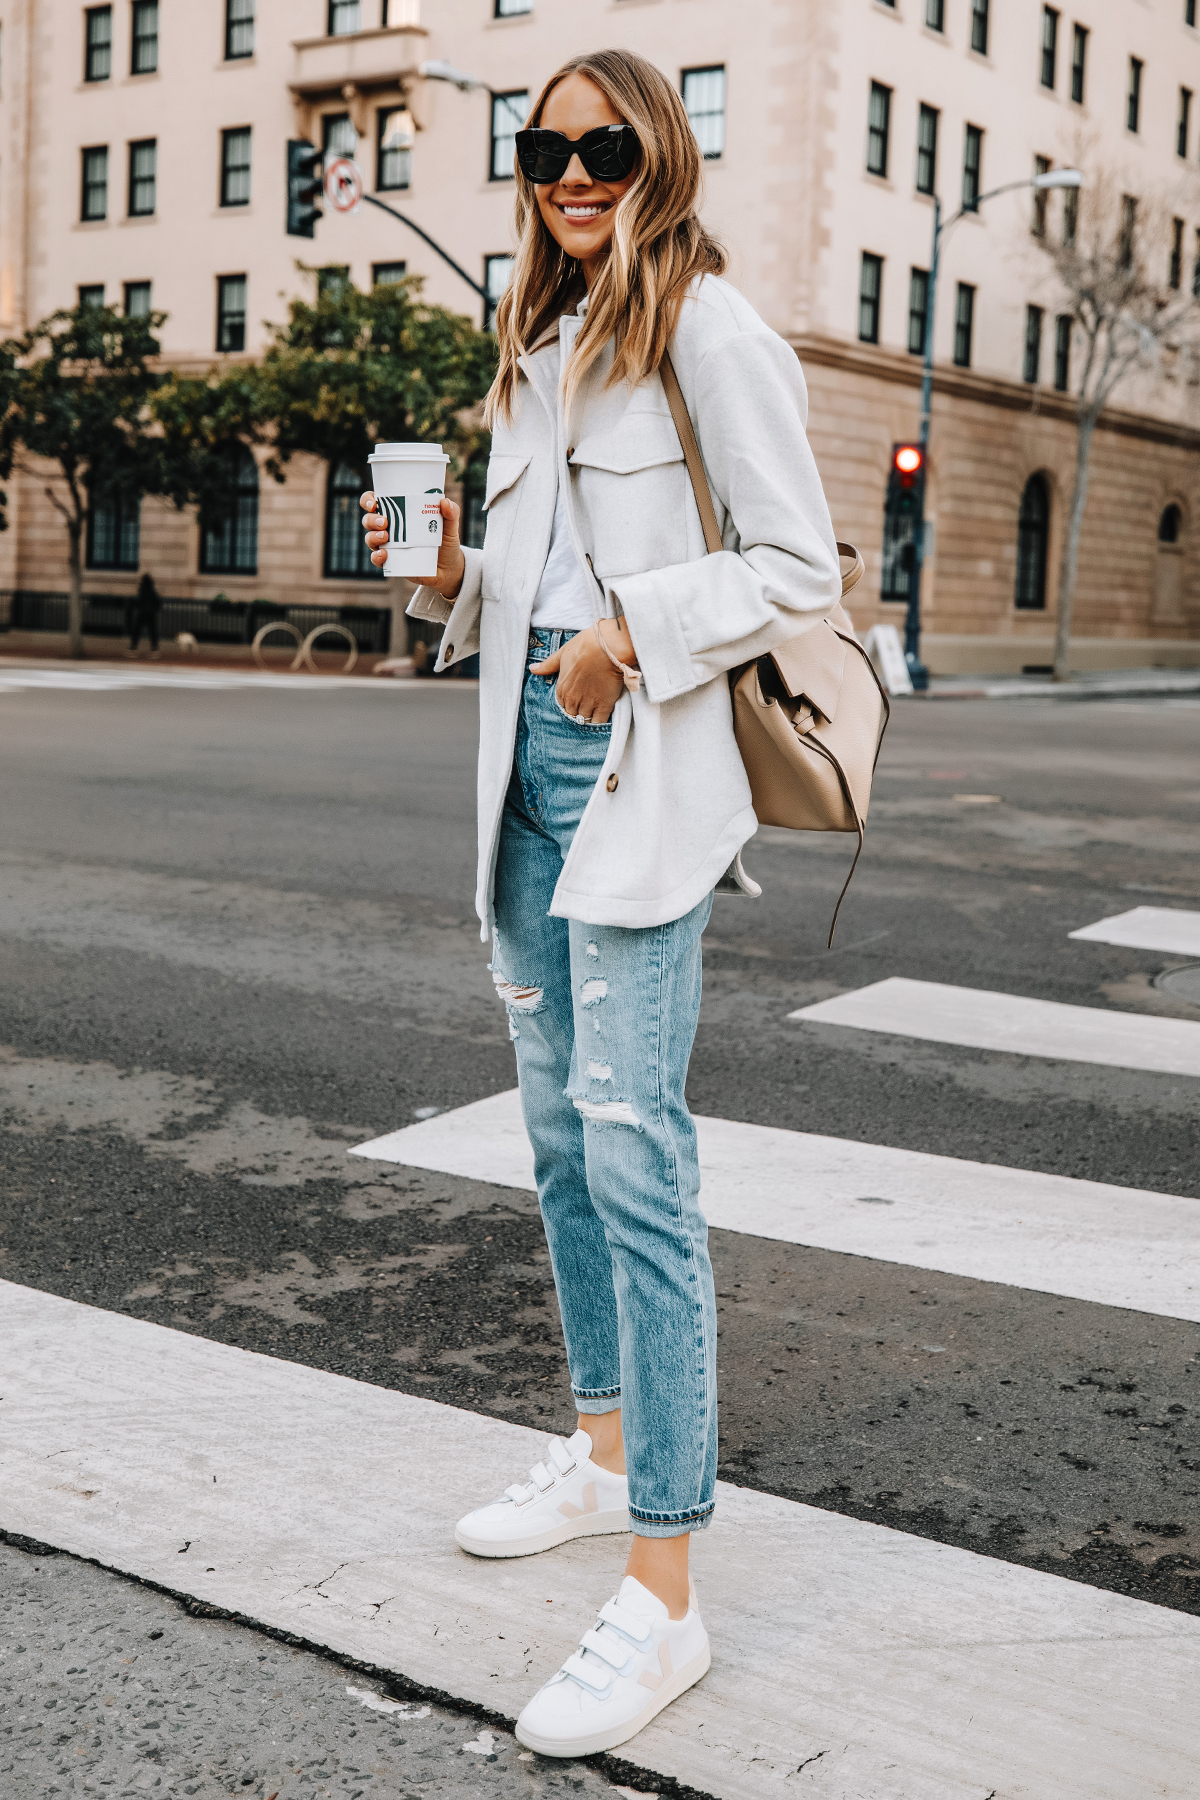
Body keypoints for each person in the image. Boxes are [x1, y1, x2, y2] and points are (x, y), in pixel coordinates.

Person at [360, 48, 840, 1759]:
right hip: (523, 779)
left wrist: (630, 627)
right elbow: (534, 586)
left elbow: (801, 574)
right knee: (561, 1137)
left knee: (640, 1150)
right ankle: (605, 1449)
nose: (575, 169)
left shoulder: (711, 327)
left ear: (661, 153)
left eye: (605, 142)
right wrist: (457, 578)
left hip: (642, 778)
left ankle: (664, 1592)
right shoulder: (540, 339)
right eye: (548, 145)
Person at [126, 572, 162, 657]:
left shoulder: (142, 590)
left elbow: (138, 601)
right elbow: (158, 603)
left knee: (137, 631)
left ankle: (133, 648)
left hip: (142, 613)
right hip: (151, 614)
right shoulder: (153, 591)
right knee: (152, 632)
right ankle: (154, 649)